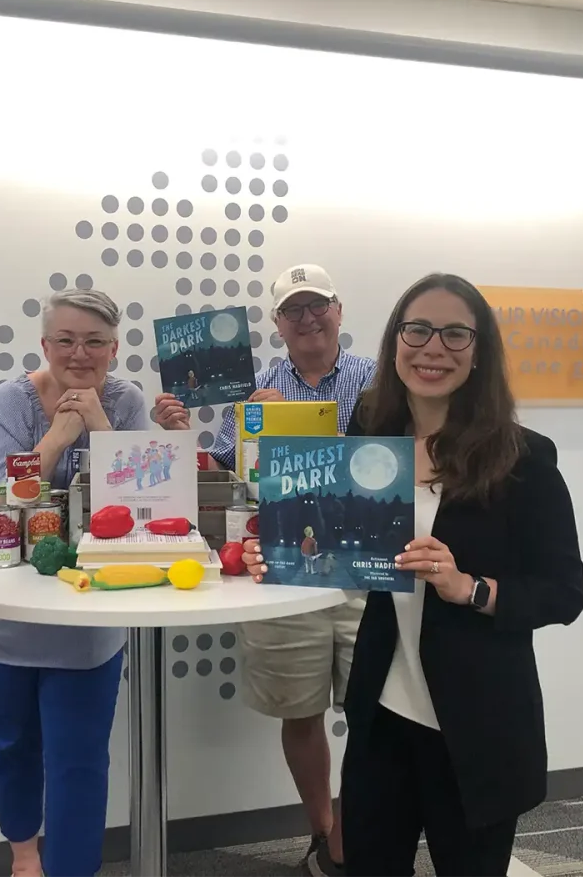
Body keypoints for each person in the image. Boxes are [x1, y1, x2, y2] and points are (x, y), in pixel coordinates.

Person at [244, 272, 583, 876]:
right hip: (382, 711)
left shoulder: (524, 458)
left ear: (480, 351)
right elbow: (345, 548)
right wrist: (281, 554)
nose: (434, 348)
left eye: (456, 334)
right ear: (395, 339)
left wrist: (469, 587)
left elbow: (563, 593)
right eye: (418, 329)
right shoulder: (374, 430)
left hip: (475, 722)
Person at [155, 263, 375, 876]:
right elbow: (225, 479)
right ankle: (322, 831)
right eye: (293, 309)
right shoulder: (253, 391)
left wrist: (302, 431)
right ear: (277, 323)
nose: (308, 318)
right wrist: (183, 436)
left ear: (339, 309)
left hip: (365, 566)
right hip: (279, 567)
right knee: (299, 709)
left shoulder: (379, 382)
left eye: (318, 305)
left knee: (376, 713)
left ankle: (356, 836)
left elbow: (395, 463)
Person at [0, 288, 149, 877]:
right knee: (8, 749)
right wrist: (57, 437)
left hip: (87, 625)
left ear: (114, 349)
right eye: (66, 340)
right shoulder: (11, 401)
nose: (79, 353)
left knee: (79, 762)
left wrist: (100, 428)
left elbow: (144, 505)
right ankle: (24, 859)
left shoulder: (126, 402)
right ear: (45, 345)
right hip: (4, 623)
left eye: (95, 342)